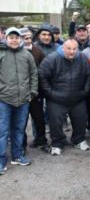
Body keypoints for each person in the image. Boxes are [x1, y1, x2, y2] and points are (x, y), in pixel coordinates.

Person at [39, 39, 90, 156]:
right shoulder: (51, 59)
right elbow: (42, 76)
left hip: (78, 97)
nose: (72, 52)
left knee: (81, 120)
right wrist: (50, 93)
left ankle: (78, 140)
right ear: (63, 48)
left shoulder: (82, 58)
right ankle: (58, 143)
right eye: (69, 49)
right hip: (56, 98)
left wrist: (85, 91)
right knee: (56, 123)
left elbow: (89, 74)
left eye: (74, 49)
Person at [0, 27, 38, 175]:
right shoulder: (1, 53)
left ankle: (17, 155)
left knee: (19, 129)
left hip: (23, 100)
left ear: (20, 39)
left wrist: (32, 92)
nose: (14, 40)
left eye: (17, 37)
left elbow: (34, 74)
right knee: (2, 131)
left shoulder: (26, 54)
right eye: (11, 37)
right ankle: (1, 160)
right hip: (4, 99)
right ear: (6, 38)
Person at [20, 28, 49, 151]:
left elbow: (43, 71)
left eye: (29, 37)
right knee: (21, 121)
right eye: (24, 37)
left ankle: (41, 140)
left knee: (39, 118)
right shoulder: (15, 51)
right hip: (19, 93)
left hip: (35, 92)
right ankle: (21, 145)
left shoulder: (38, 51)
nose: (27, 40)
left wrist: (39, 90)